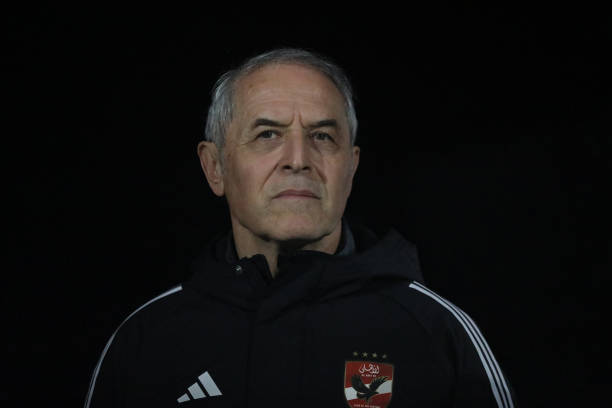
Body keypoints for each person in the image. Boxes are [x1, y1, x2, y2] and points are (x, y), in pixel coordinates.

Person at [84, 48, 516, 407]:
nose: (298, 159)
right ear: (215, 168)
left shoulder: (438, 334)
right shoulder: (146, 341)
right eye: (267, 135)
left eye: (322, 136)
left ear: (351, 168)